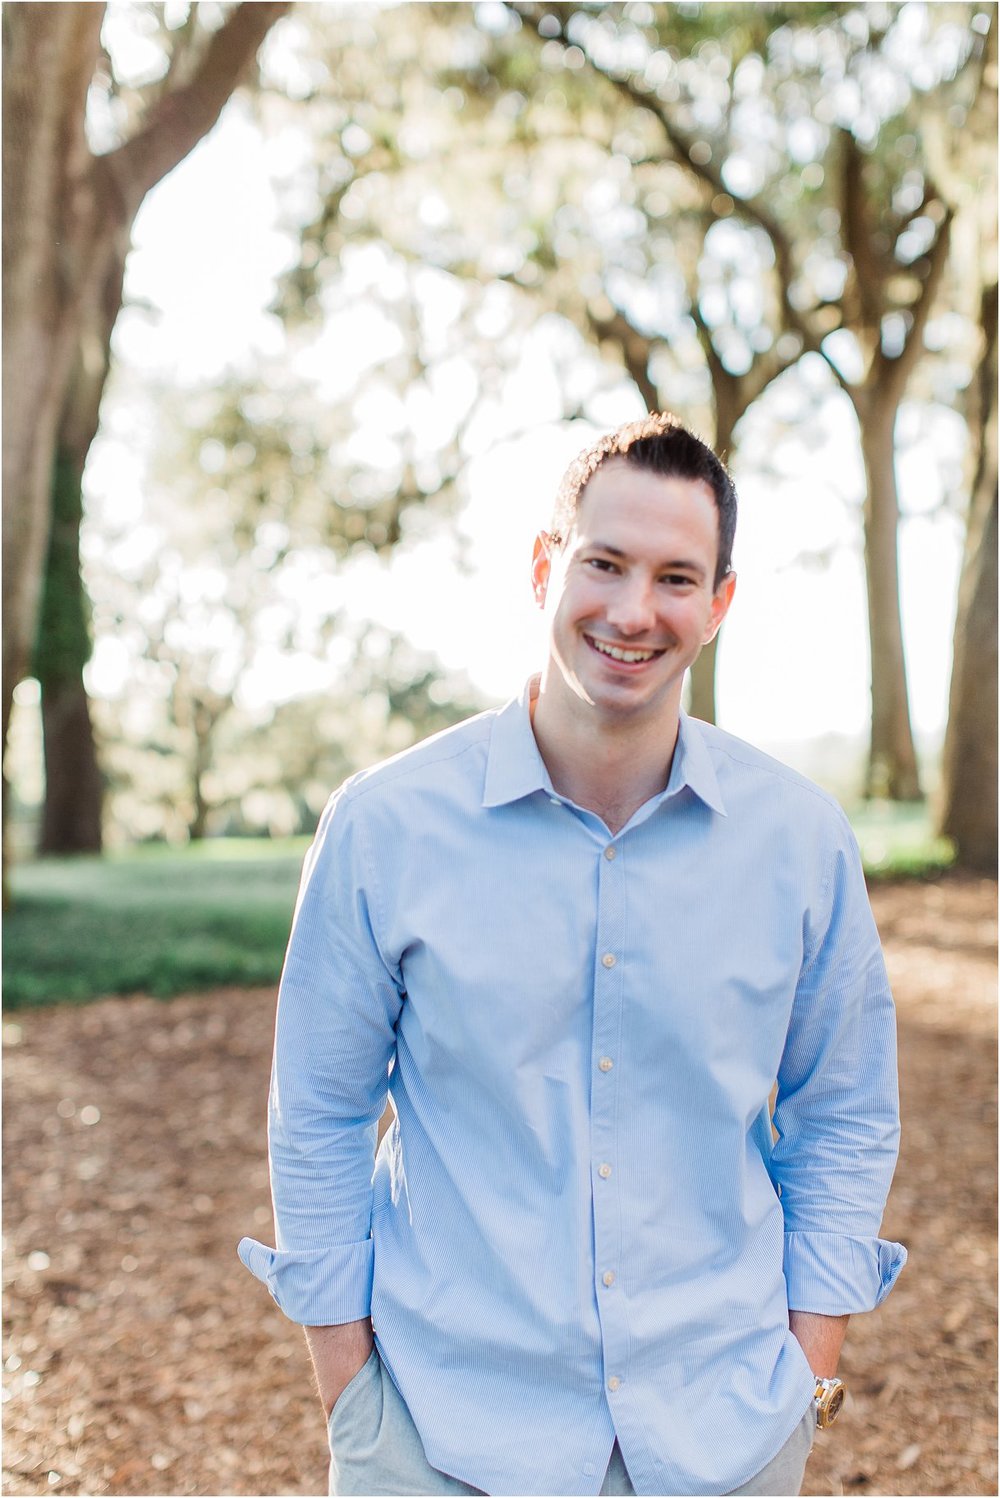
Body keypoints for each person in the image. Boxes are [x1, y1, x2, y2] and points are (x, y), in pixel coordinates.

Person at [239, 412, 906, 1498]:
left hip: (723, 1440)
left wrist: (806, 1373)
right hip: (439, 1438)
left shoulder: (799, 843)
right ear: (547, 565)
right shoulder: (385, 827)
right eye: (604, 563)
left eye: (676, 577)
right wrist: (351, 1394)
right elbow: (316, 1111)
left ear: (719, 605)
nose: (633, 610)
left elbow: (843, 1113)